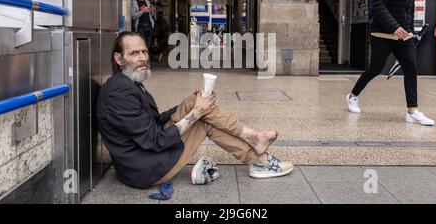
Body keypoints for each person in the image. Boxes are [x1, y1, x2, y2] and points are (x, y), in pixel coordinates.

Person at [96, 32, 293, 189]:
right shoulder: (118, 93)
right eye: (134, 53)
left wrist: (191, 105)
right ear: (119, 58)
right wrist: (195, 114)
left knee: (194, 102)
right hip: (144, 169)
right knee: (202, 120)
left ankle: (255, 142)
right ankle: (258, 157)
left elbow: (153, 122)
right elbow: (154, 140)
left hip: (143, 154)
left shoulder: (128, 82)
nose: (142, 58)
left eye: (144, 52)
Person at [346, 0, 435, 126]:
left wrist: (409, 30)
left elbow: (409, 9)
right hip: (383, 35)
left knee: (411, 68)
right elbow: (377, 5)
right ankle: (352, 96)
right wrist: (393, 27)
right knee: (375, 69)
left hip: (404, 36)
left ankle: (412, 111)